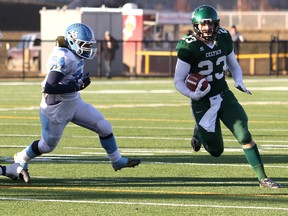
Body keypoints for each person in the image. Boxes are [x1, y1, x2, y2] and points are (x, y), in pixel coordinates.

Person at [13, 23, 140, 183]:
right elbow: (49, 86)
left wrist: (77, 83)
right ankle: (21, 158)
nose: (88, 48)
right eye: (83, 45)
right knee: (47, 146)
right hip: (56, 108)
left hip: (73, 102)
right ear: (72, 42)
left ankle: (117, 161)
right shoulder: (63, 57)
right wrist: (77, 85)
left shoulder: (74, 53)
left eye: (89, 45)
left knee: (104, 126)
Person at [174, 5, 282, 188]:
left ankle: (263, 178)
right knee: (216, 151)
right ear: (196, 26)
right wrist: (193, 94)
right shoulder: (188, 46)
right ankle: (199, 131)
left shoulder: (223, 37)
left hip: (224, 94)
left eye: (211, 24)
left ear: (217, 25)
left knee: (244, 134)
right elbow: (178, 81)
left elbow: (233, 63)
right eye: (203, 24)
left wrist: (238, 80)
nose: (207, 28)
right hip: (202, 100)